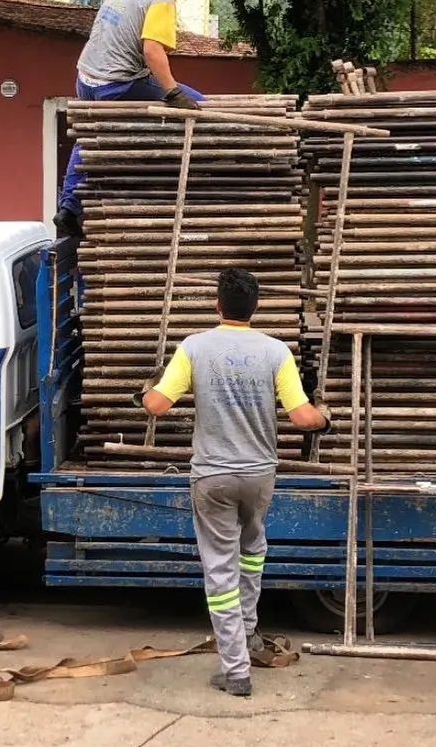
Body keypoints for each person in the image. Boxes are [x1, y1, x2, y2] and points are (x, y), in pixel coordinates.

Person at [141, 267, 332, 697]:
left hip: (213, 475)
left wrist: (147, 388)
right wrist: (326, 418)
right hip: (260, 474)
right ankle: (247, 635)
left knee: (221, 569)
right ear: (256, 307)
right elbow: (303, 418)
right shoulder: (275, 351)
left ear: (217, 305)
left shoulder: (194, 348)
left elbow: (156, 405)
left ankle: (235, 669)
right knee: (251, 554)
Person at [53, 0, 206, 238]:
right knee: (199, 104)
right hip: (117, 84)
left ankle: (69, 207)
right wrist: (172, 92)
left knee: (86, 138)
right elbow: (152, 50)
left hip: (86, 78)